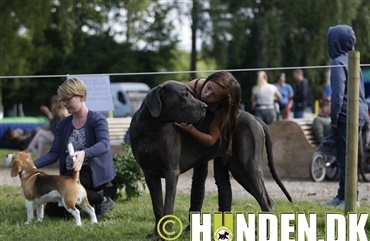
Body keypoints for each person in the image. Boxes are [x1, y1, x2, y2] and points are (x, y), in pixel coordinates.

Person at [34, 77, 116, 219]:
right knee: (53, 212)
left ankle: (101, 199)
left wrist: (84, 153)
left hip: (92, 174)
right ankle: (82, 200)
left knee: (68, 191)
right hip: (69, 174)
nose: (64, 104)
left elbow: (104, 144)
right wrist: (31, 165)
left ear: (81, 97)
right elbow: (54, 153)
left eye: (67, 99)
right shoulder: (63, 124)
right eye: (62, 100)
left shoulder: (97, 119)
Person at [175, 71, 241, 230]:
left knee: (222, 178)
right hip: (197, 141)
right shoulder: (194, 87)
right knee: (198, 177)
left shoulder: (223, 110)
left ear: (222, 100)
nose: (207, 94)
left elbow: (211, 139)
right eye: (209, 87)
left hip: (219, 140)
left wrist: (190, 129)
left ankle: (224, 224)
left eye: (215, 96)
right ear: (208, 80)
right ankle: (194, 223)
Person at [323, 25, 368, 207]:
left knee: (345, 158)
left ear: (335, 41)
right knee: (348, 157)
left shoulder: (338, 63)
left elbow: (338, 95)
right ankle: (342, 196)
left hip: (345, 116)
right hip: (359, 114)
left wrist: (333, 119)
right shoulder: (352, 60)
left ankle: (351, 199)